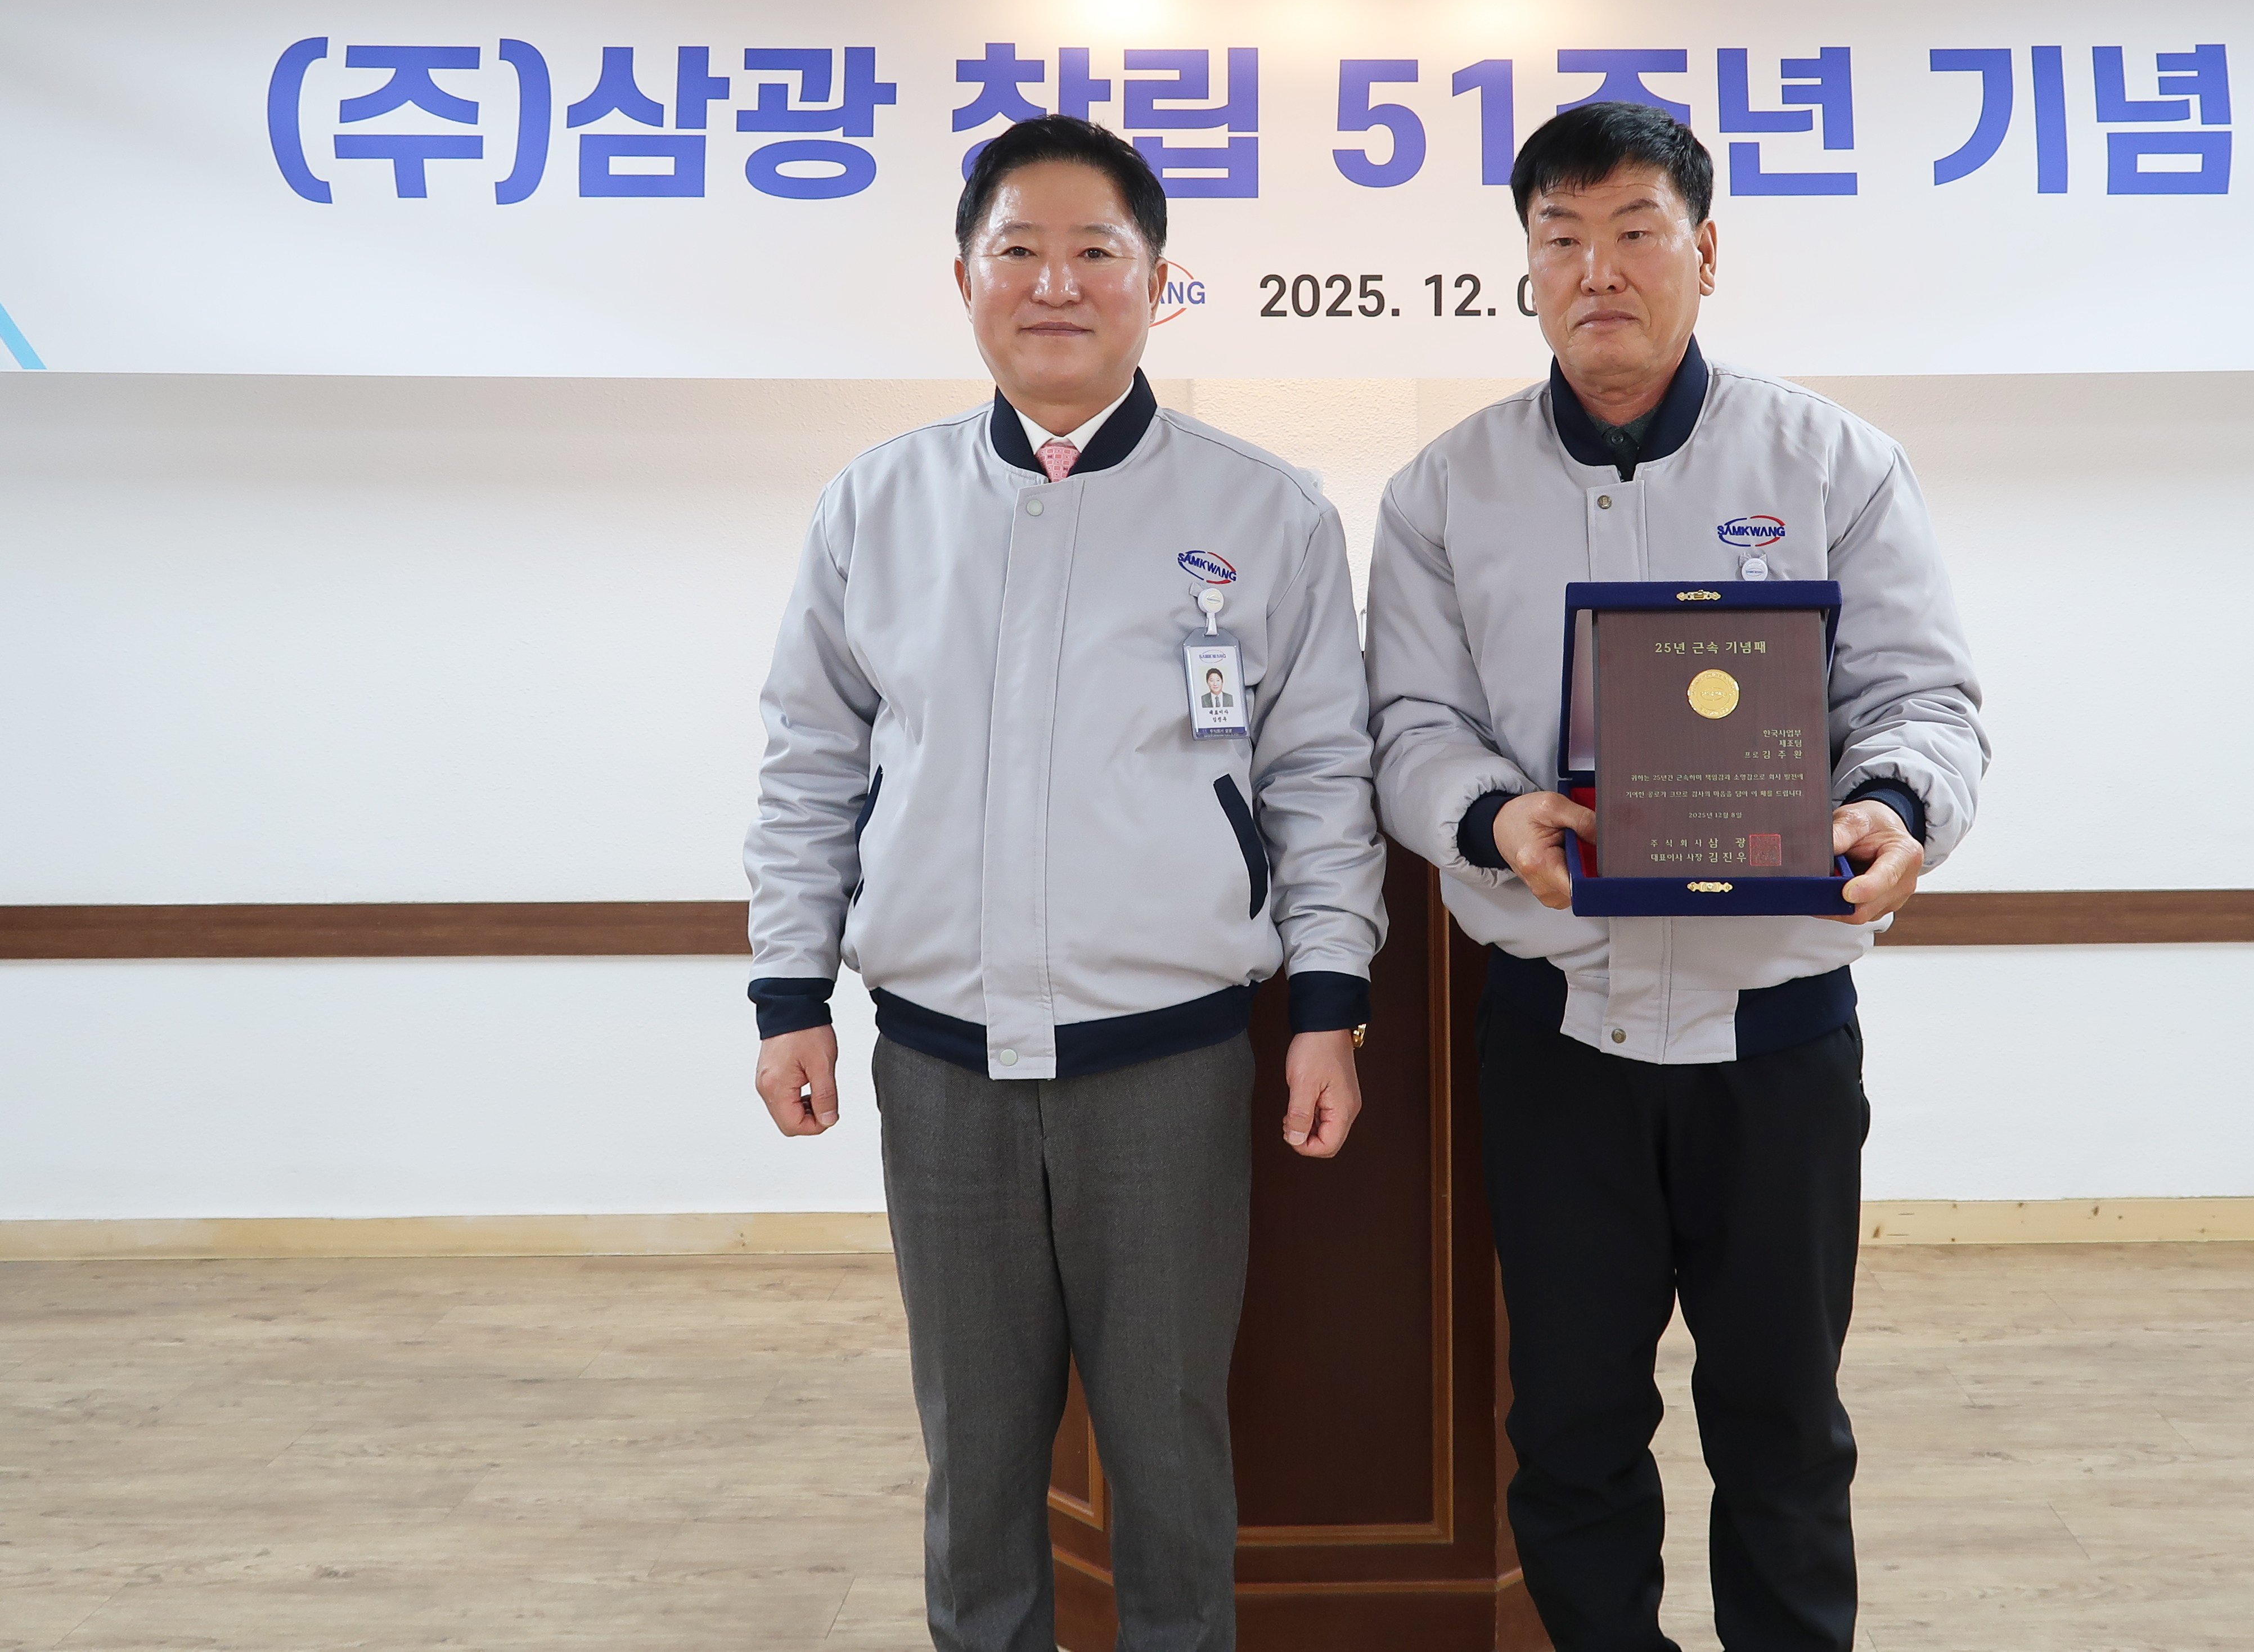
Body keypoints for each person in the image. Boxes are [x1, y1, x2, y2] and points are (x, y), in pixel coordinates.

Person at [744, 114, 1386, 1652]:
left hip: (1165, 1065)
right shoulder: (876, 507)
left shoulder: (1264, 512)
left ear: (1159, 282)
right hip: (939, 1065)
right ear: (963, 279)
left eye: (1096, 251)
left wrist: (1330, 1003)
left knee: (1169, 1455)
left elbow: (1321, 779)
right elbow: (808, 763)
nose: (1056, 284)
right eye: (1018, 250)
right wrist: (789, 990)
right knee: (974, 1462)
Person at [1364, 102, 1987, 1652]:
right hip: (1558, 1038)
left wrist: (1896, 806)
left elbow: (1923, 700)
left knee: (1784, 1424)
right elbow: (1412, 727)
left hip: (1776, 1039)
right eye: (1562, 239)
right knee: (1572, 1427)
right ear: (1526, 269)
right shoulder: (1445, 491)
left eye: (1637, 232)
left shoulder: (1834, 465)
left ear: (1706, 255)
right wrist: (1492, 816)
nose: (1600, 270)